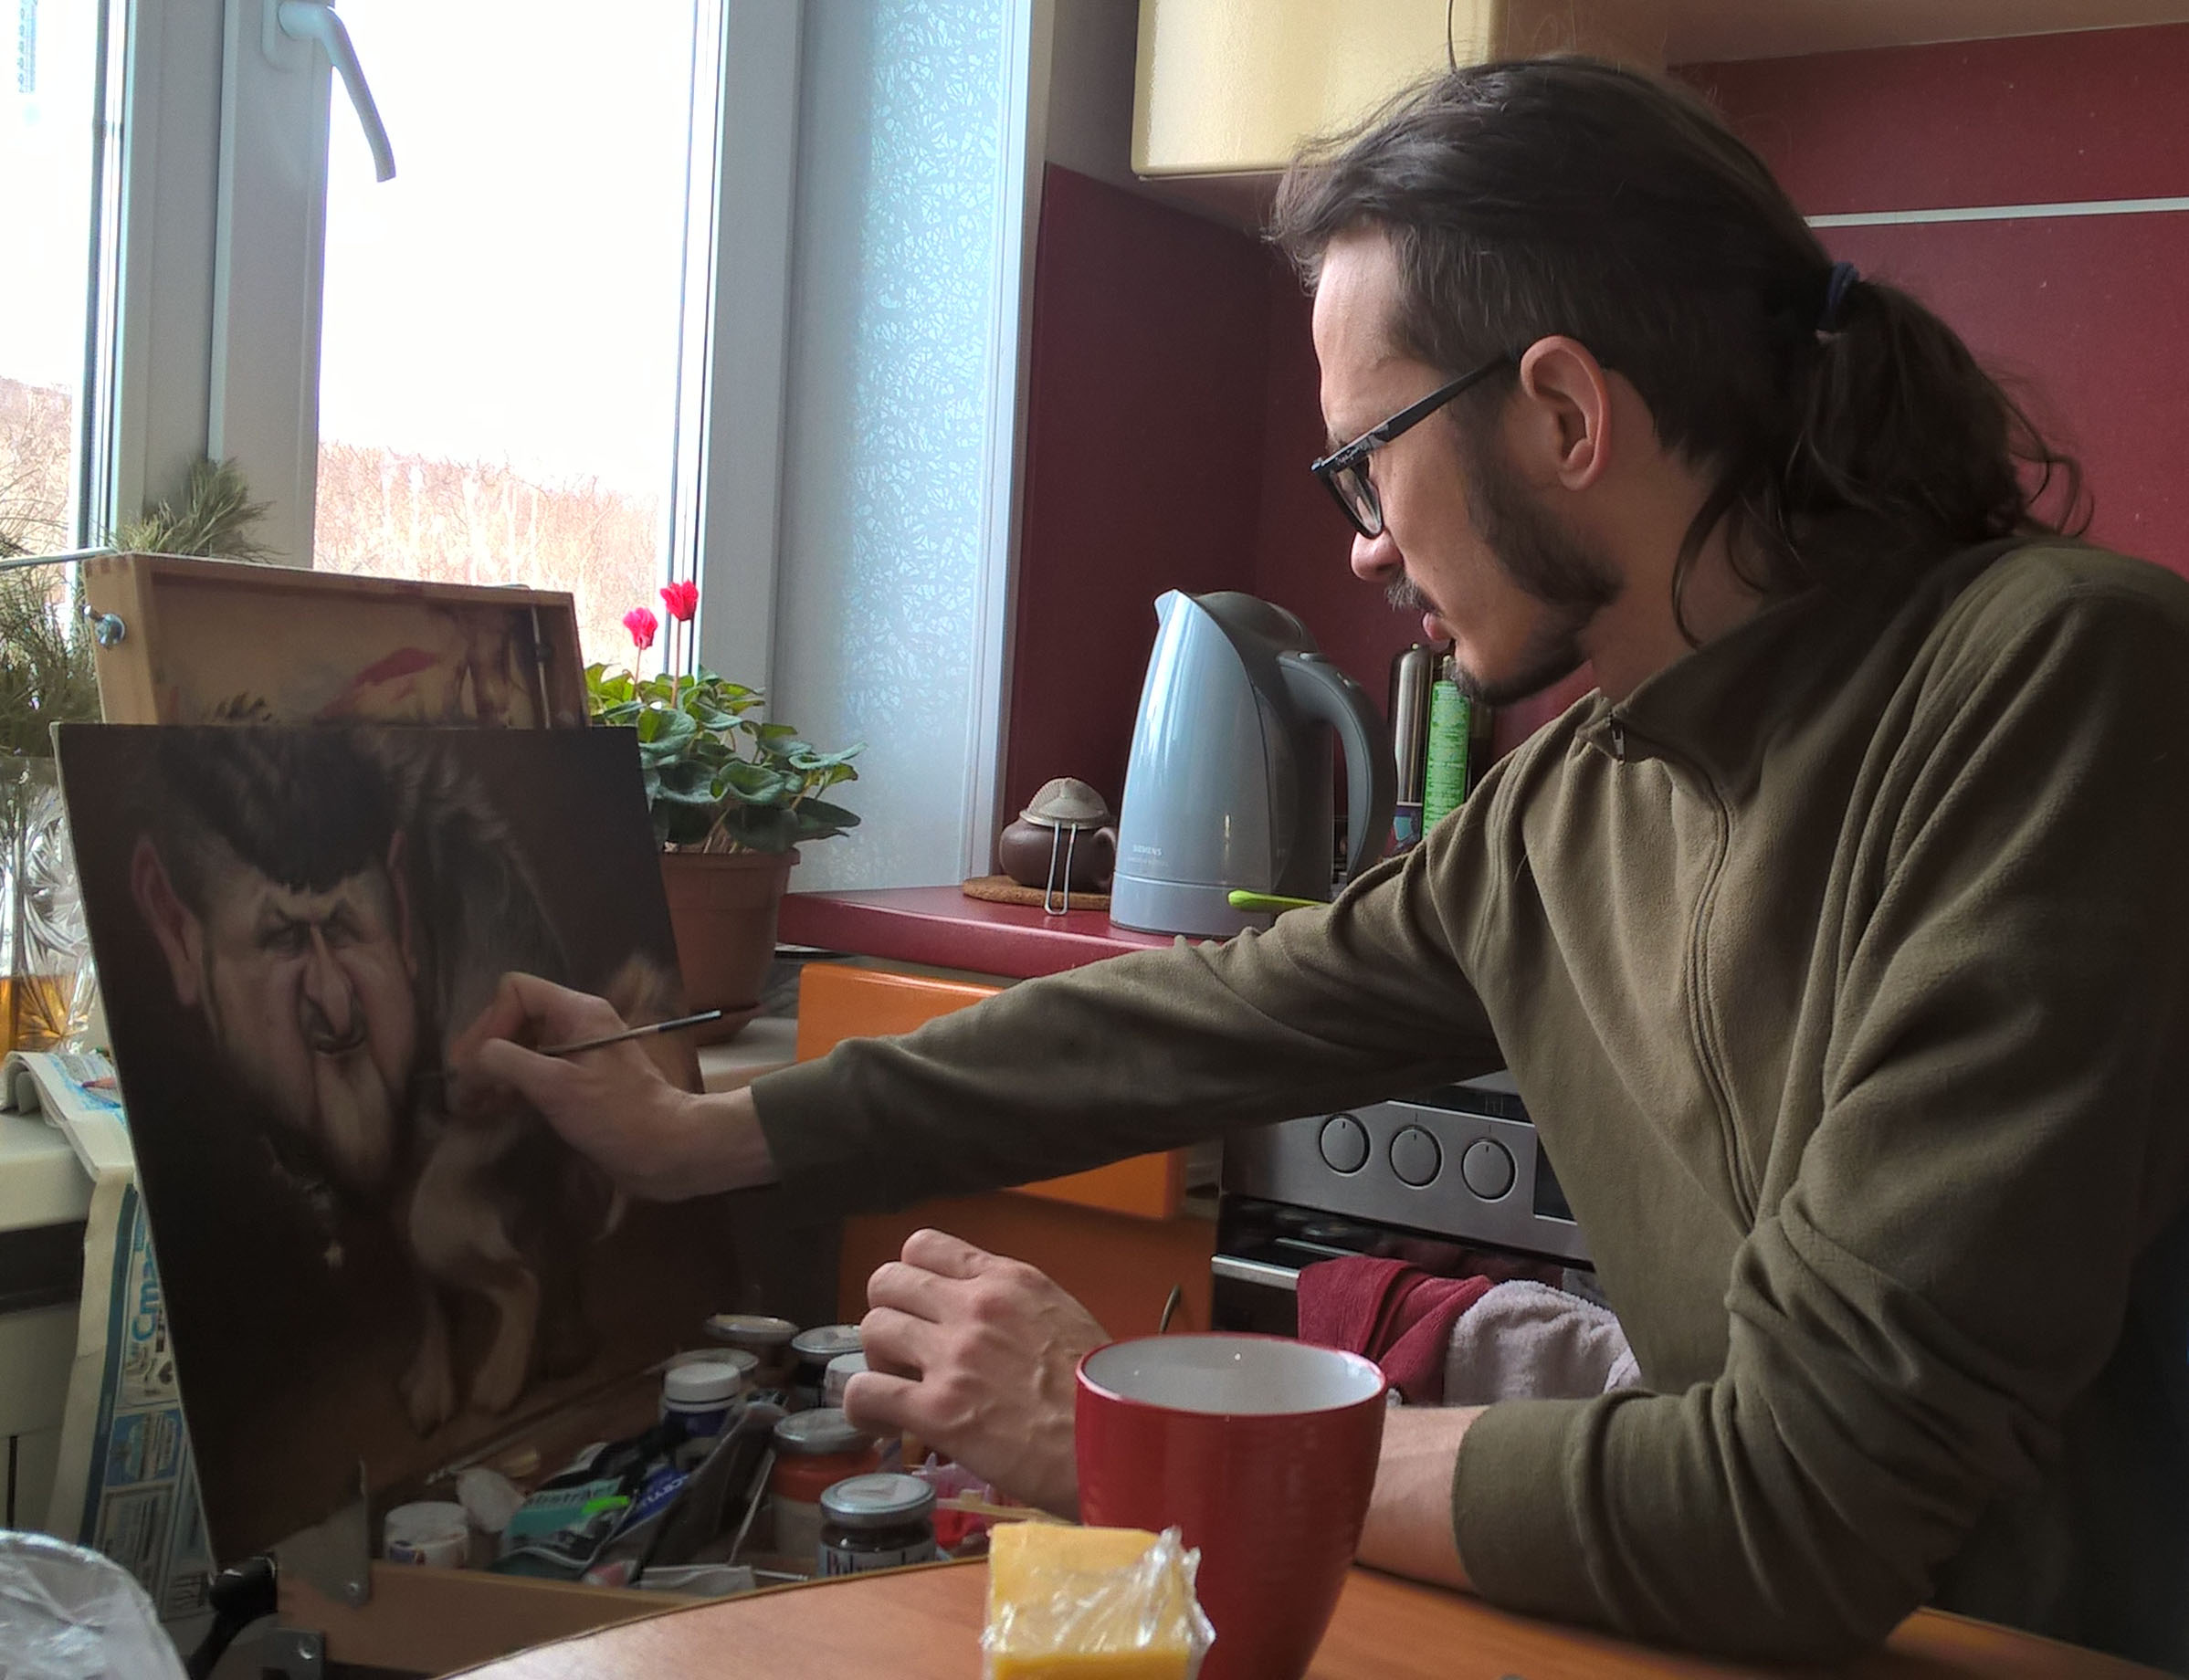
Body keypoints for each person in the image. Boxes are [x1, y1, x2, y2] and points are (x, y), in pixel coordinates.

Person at [454, 57, 2189, 1669]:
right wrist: (710, 1137)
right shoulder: (1570, 803)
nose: (1360, 546)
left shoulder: (2059, 686)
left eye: (1367, 461)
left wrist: (1133, 1427)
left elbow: (1795, 1503)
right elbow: (1198, 1018)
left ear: (1562, 414)